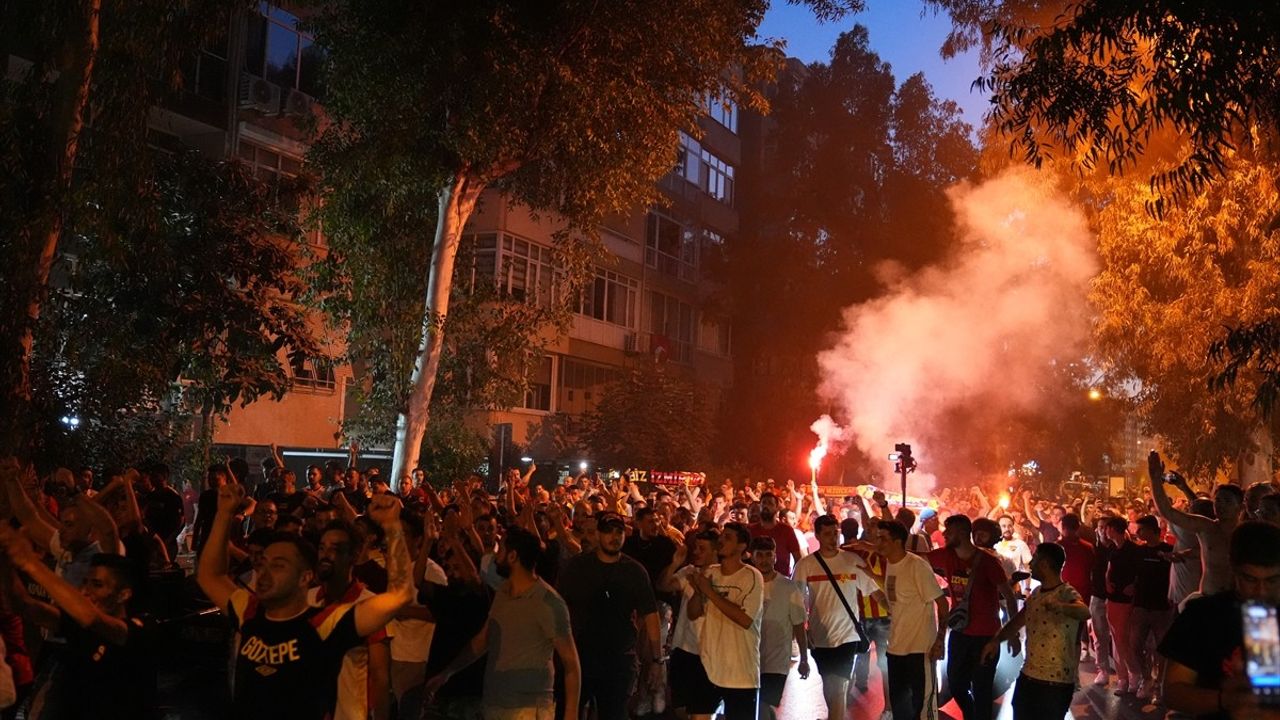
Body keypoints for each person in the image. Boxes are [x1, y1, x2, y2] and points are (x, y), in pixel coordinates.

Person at [196, 483, 413, 720]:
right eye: (264, 562)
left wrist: (393, 526)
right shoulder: (249, 610)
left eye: (278, 565)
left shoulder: (323, 623)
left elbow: (400, 596)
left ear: (305, 577)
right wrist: (224, 514)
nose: (264, 572)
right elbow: (210, 575)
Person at [424, 526, 580, 720]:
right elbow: (483, 640)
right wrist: (447, 673)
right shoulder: (503, 593)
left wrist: (571, 714)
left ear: (513, 556)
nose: (496, 556)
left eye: (501, 550)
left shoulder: (548, 602)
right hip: (495, 704)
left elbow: (571, 665)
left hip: (529, 708)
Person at [0, 529, 153, 720]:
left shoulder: (135, 631)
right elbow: (23, 605)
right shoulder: (80, 627)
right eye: (85, 583)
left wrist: (29, 561)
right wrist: (5, 562)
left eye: (97, 584)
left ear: (123, 594)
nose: (86, 591)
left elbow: (91, 618)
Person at [1159, 521, 1280, 719]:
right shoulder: (1203, 614)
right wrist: (1225, 700)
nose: (1261, 591)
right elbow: (1173, 692)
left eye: (1272, 580)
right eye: (1250, 579)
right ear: (1233, 568)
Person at [557, 512, 660, 720]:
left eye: (619, 532)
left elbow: (651, 615)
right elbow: (558, 608)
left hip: (618, 662)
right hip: (579, 659)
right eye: (608, 532)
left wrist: (657, 660)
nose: (614, 537)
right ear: (598, 534)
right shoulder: (577, 567)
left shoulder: (635, 571)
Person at [982, 543, 1090, 720]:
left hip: (1055, 684)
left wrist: (1060, 606)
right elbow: (1017, 622)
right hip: (1028, 677)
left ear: (1045, 564)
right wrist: (996, 640)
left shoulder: (1066, 593)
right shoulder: (1037, 593)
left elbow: (1084, 611)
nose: (1030, 564)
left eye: (1035, 559)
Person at [927, 514, 1019, 720]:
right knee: (956, 683)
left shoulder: (990, 562)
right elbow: (917, 556)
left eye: (948, 532)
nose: (944, 535)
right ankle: (971, 714)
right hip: (960, 634)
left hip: (986, 638)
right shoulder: (946, 556)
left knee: (982, 689)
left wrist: (1012, 635)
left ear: (962, 533)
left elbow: (1010, 598)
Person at [793, 514, 884, 720]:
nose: (833, 538)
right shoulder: (805, 566)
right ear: (817, 535)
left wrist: (896, 610)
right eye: (827, 534)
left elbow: (874, 591)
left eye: (836, 533)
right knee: (829, 685)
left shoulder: (852, 561)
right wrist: (802, 632)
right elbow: (796, 602)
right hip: (819, 636)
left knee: (841, 686)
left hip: (848, 635)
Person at [309, 520, 391, 720]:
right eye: (322, 548)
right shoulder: (306, 599)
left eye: (335, 549)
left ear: (353, 556)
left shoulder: (371, 605)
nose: (325, 555)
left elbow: (380, 676)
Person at [685, 522, 764, 720]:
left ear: (742, 546)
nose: (721, 540)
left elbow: (745, 620)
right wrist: (697, 591)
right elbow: (693, 614)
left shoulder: (752, 576)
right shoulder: (710, 572)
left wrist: (710, 592)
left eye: (728, 537)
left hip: (740, 671)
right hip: (708, 663)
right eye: (721, 536)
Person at [874, 519, 948, 720]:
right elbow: (895, 599)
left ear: (897, 542)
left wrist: (940, 641)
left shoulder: (917, 566)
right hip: (896, 649)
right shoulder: (890, 563)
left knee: (924, 708)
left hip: (920, 650)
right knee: (901, 708)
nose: (877, 543)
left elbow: (942, 604)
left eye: (882, 539)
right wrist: (870, 579)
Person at [1150, 451, 1244, 595]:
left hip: (1236, 603)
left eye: (1227, 501)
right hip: (1208, 599)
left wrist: (1188, 554)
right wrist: (1156, 479)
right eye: (1218, 501)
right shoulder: (1206, 527)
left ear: (1240, 506)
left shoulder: (1248, 532)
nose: (1221, 505)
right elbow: (1168, 511)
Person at [749, 536, 809, 720]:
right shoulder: (746, 584)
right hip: (748, 660)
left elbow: (799, 625)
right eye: (760, 555)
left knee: (764, 705)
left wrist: (804, 659)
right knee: (758, 707)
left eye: (769, 555)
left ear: (775, 557)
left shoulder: (788, 587)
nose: (764, 560)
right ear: (753, 557)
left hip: (776, 662)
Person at [1128, 514, 1173, 702]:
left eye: (1141, 529)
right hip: (1141, 606)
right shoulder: (1139, 552)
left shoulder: (1169, 551)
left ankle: (1159, 686)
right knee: (1135, 645)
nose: (1137, 533)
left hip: (1162, 607)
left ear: (1153, 530)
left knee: (1161, 650)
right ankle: (1147, 679)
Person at [1102, 515, 1141, 694]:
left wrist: (1133, 585)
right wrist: (1108, 582)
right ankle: (1122, 678)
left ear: (1115, 529)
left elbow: (1140, 572)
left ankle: (1134, 675)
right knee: (1116, 639)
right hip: (1113, 598)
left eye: (1108, 528)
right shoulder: (1112, 549)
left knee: (1123, 639)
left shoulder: (1133, 549)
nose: (1105, 531)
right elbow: (1109, 569)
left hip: (1126, 600)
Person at [748, 492, 802, 577]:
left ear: (777, 508)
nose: (766, 506)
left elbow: (798, 559)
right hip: (754, 581)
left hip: (780, 582)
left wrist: (793, 580)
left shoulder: (787, 530)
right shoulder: (750, 530)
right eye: (763, 503)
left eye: (770, 503)